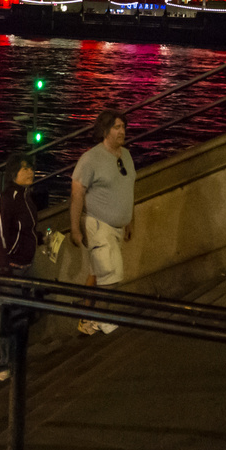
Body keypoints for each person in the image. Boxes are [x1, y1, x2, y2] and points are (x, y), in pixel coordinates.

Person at [70, 110, 135, 336]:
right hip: (99, 225)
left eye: (123, 127)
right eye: (117, 127)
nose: (122, 132)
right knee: (110, 272)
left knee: (97, 273)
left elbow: (128, 189)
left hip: (117, 226)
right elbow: (77, 192)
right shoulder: (90, 159)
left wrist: (130, 220)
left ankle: (86, 319)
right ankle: (103, 319)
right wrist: (75, 228)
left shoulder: (126, 156)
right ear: (105, 131)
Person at [0, 153, 40, 381]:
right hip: (7, 267)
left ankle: (0, 335)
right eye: (24, 168)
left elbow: (26, 230)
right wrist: (4, 266)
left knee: (16, 313)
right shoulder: (7, 198)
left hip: (22, 266)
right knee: (9, 313)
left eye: (31, 168)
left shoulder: (27, 197)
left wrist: (42, 239)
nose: (30, 172)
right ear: (13, 173)